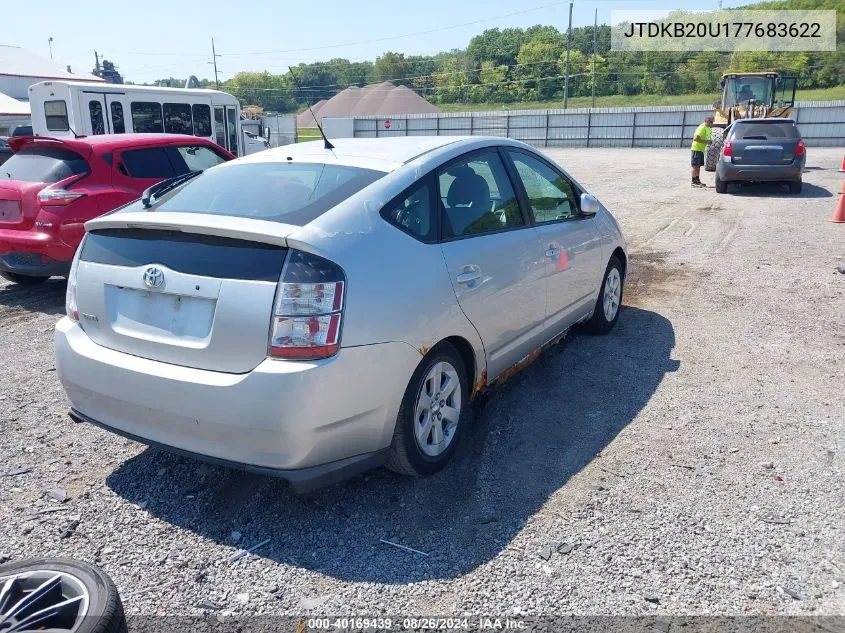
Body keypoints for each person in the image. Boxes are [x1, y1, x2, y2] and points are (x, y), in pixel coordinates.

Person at [690, 116, 714, 188]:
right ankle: (693, 181)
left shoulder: (707, 128)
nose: (712, 124)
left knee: (698, 166)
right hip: (696, 149)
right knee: (695, 166)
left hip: (700, 149)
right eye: (711, 122)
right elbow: (695, 138)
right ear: (707, 121)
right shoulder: (702, 127)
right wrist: (706, 141)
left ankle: (697, 180)